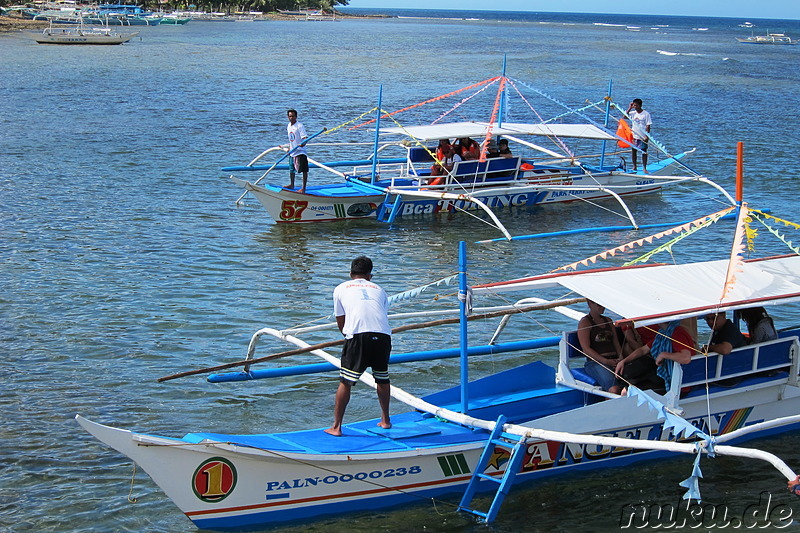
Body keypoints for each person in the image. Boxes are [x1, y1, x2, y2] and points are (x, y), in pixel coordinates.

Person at [325, 256, 392, 437]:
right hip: (383, 335)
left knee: (346, 382)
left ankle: (336, 427)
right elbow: (381, 315)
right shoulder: (380, 290)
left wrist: (348, 337)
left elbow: (341, 319)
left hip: (358, 336)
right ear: (370, 275)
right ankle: (385, 420)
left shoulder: (340, 288)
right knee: (382, 378)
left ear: (350, 273)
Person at [615, 321, 696, 393]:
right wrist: (624, 361)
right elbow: (643, 350)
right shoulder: (663, 334)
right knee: (629, 383)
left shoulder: (677, 333)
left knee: (627, 392)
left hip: (679, 383)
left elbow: (686, 358)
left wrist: (664, 355)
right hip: (666, 376)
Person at [577, 300, 622, 394]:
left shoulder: (608, 321)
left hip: (614, 359)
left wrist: (621, 358)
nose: (602, 307)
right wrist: (605, 361)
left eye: (603, 304)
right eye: (599, 305)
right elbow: (586, 349)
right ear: (590, 304)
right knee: (614, 389)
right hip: (595, 362)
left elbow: (616, 343)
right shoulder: (585, 322)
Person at [286, 109, 309, 193]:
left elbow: (305, 138)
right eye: (290, 116)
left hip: (300, 151)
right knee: (291, 169)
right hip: (292, 151)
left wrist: (303, 143)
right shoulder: (288, 126)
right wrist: (289, 148)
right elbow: (291, 139)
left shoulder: (299, 126)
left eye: (293, 116)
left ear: (296, 117)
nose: (291, 118)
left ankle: (303, 188)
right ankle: (292, 184)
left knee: (304, 170)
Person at [626, 99, 652, 173]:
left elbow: (648, 125)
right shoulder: (633, 113)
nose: (635, 107)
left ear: (640, 105)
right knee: (634, 151)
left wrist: (647, 136)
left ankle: (644, 168)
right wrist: (629, 108)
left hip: (643, 136)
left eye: (636, 105)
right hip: (635, 136)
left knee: (644, 152)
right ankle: (634, 166)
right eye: (634, 105)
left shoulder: (646, 114)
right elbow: (625, 116)